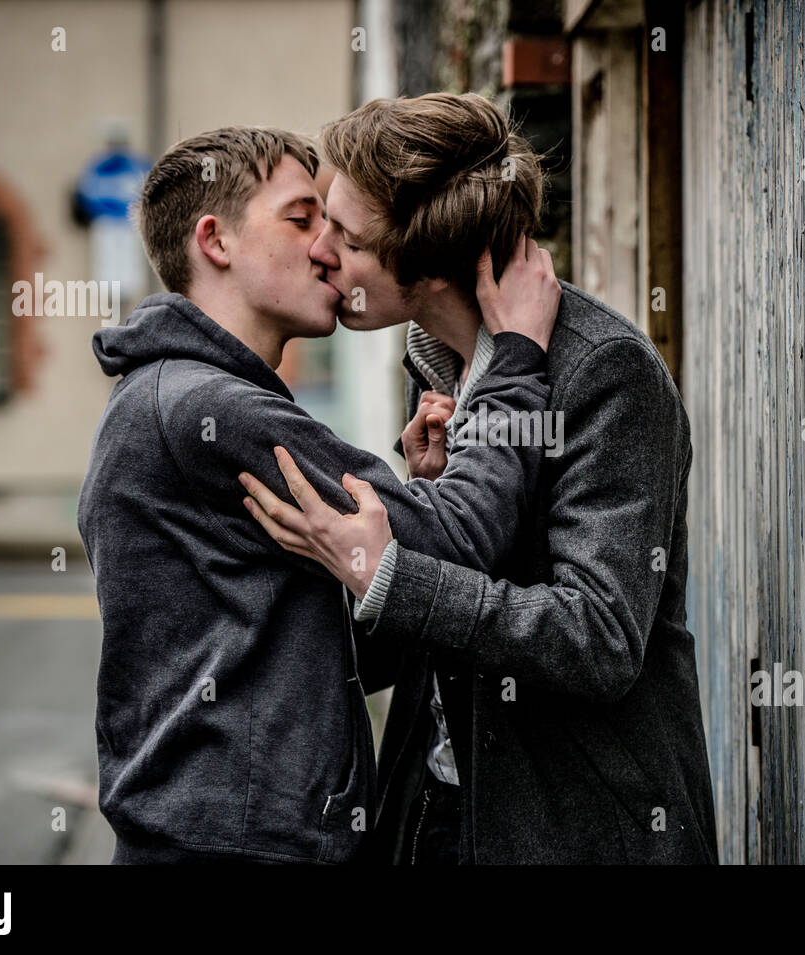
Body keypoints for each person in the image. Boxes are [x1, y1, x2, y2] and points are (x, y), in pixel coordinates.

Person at [241, 94, 718, 864]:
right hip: (440, 815)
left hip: (577, 831)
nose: (319, 251)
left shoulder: (604, 374)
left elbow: (599, 639)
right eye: (322, 219)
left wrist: (392, 574)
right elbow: (443, 615)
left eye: (348, 238)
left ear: (430, 267)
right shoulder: (436, 366)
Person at [77, 125, 559, 863]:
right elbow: (462, 540)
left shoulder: (168, 396)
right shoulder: (212, 410)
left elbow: (339, 648)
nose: (326, 247)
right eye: (302, 219)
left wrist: (418, 502)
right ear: (216, 241)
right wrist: (517, 355)